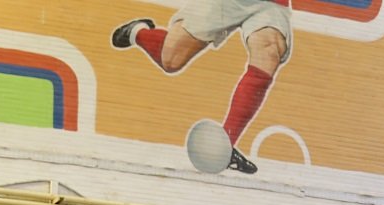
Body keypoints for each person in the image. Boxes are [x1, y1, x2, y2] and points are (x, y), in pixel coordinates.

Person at [110, 0, 292, 174]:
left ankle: (224, 146)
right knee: (171, 60)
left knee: (269, 51)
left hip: (270, 4)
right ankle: (137, 32)